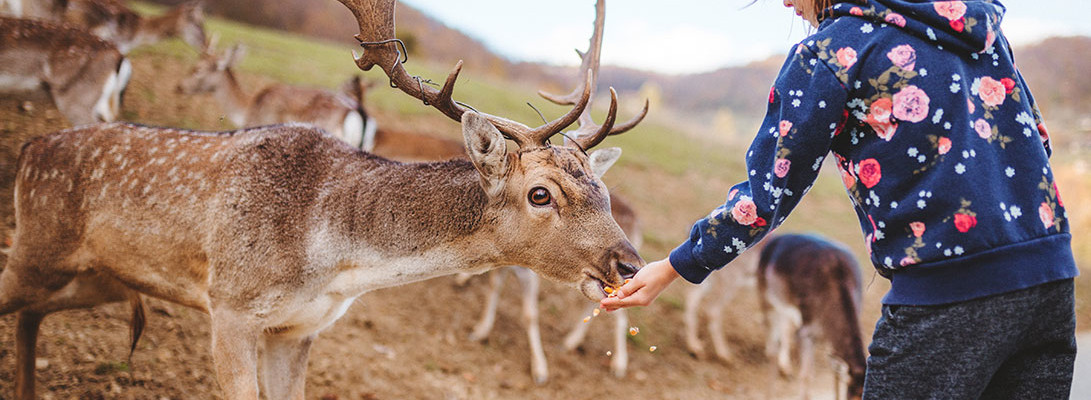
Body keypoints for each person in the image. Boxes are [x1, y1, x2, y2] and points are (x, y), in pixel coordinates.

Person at [600, 0, 1079, 398]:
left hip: (945, 296)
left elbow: (768, 192)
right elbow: (1037, 139)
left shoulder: (831, 50)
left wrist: (675, 265)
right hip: (1051, 282)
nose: (785, 3)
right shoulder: (980, 30)